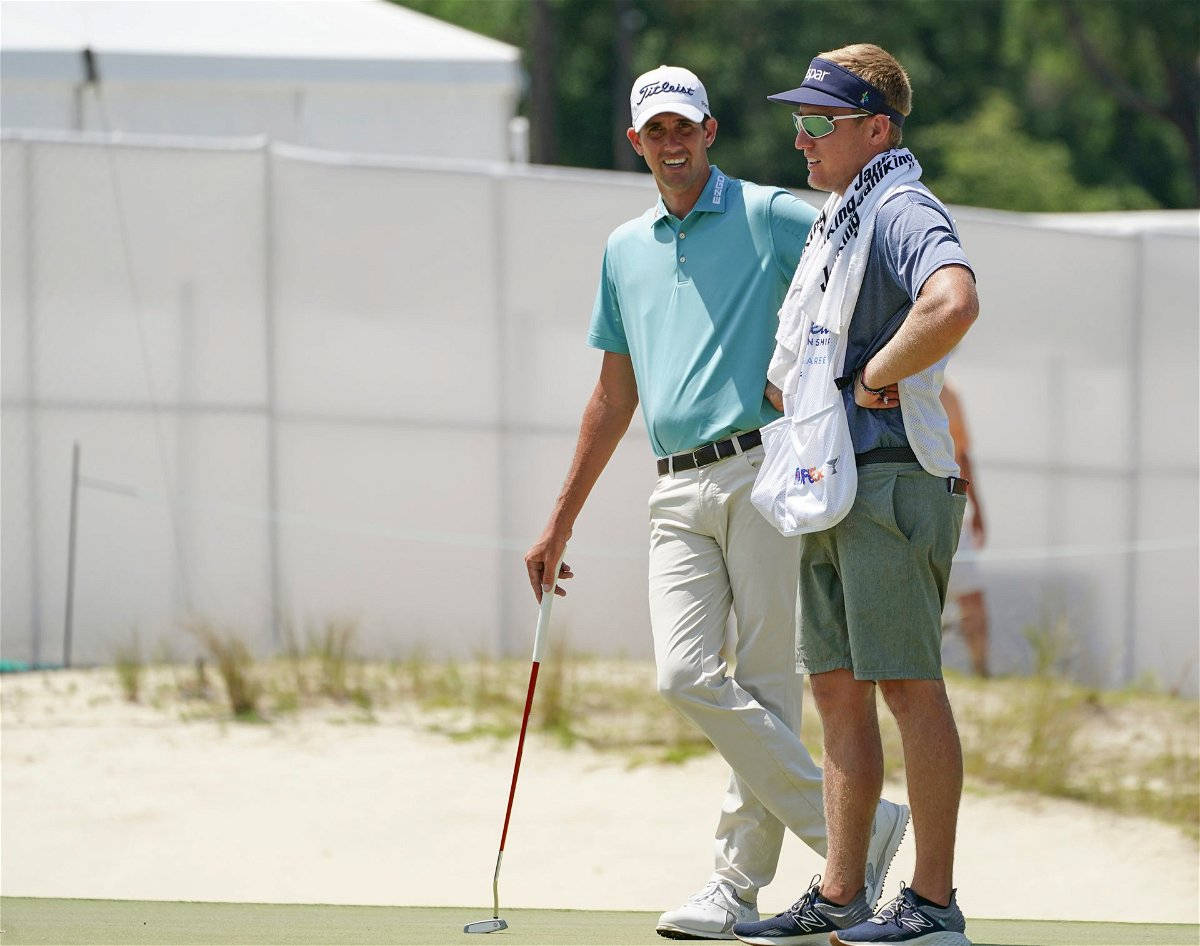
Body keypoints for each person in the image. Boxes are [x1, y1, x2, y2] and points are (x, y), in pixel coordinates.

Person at [523, 65, 909, 942]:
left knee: (769, 689)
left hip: (763, 468)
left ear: (711, 130)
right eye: (655, 130)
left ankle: (733, 889)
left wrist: (848, 380)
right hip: (674, 485)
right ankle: (855, 828)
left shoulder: (771, 212)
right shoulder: (624, 249)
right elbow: (611, 396)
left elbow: (864, 264)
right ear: (635, 142)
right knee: (683, 674)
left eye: (684, 127)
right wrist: (560, 518)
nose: (671, 142)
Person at [732, 45, 978, 946]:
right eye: (798, 120)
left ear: (876, 130)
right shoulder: (841, 216)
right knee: (836, 688)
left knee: (907, 686)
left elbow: (951, 303)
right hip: (835, 483)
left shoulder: (902, 204)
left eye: (817, 123)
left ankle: (933, 903)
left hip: (891, 479)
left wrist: (873, 371)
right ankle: (841, 893)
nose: (800, 139)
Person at [940, 380, 990, 677]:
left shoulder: (951, 393)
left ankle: (981, 669)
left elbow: (963, 455)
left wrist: (978, 509)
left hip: (952, 505)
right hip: (912, 504)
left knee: (972, 597)